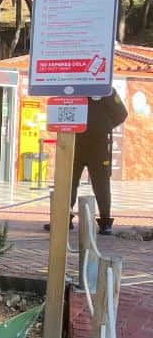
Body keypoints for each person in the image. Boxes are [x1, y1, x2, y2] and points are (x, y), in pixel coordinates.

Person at [45, 90, 128, 234]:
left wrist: (102, 127)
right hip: (74, 142)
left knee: (101, 184)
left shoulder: (106, 89)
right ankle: (64, 219)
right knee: (68, 182)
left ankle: (105, 222)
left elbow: (122, 114)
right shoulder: (73, 88)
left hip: (98, 145)